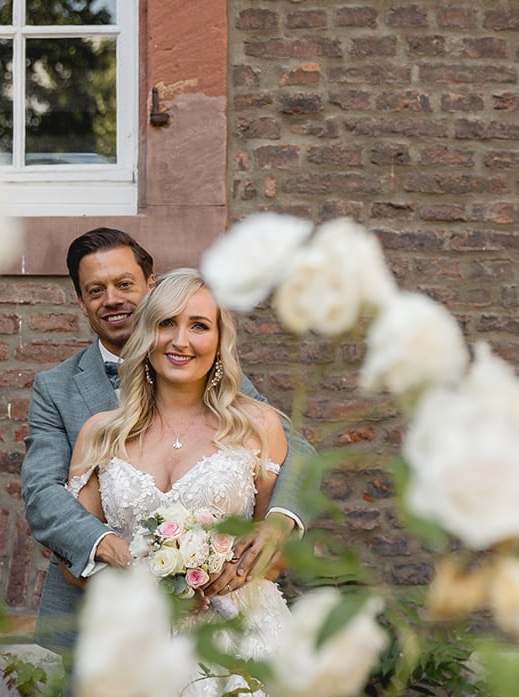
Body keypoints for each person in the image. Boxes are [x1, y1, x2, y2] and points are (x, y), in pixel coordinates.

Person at [22, 229, 312, 657]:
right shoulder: (58, 391)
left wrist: (276, 525)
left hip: (232, 631)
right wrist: (118, 551)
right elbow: (43, 492)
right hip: (108, 619)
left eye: (124, 284)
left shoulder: (211, 373)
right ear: (81, 301)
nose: (113, 299)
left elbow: (294, 454)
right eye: (96, 290)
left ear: (150, 285)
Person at [66, 268, 295, 697]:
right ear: (146, 334)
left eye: (198, 325)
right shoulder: (100, 434)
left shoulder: (257, 426)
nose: (180, 340)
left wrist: (229, 570)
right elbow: (75, 564)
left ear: (219, 339)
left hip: (243, 641)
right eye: (166, 323)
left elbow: (278, 550)